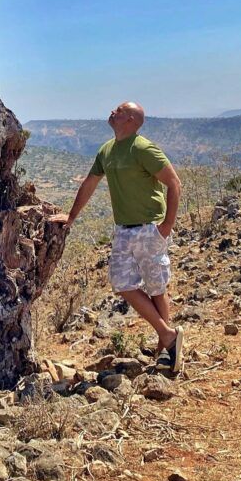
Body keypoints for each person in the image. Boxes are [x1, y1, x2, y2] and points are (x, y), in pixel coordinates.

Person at [49, 101, 184, 371]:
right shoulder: (107, 150)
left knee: (156, 287)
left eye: (120, 110)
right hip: (123, 228)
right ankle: (168, 335)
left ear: (132, 120)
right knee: (122, 282)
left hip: (149, 226)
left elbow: (174, 183)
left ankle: (165, 350)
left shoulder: (142, 148)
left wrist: (167, 224)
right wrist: (71, 216)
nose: (113, 111)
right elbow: (90, 184)